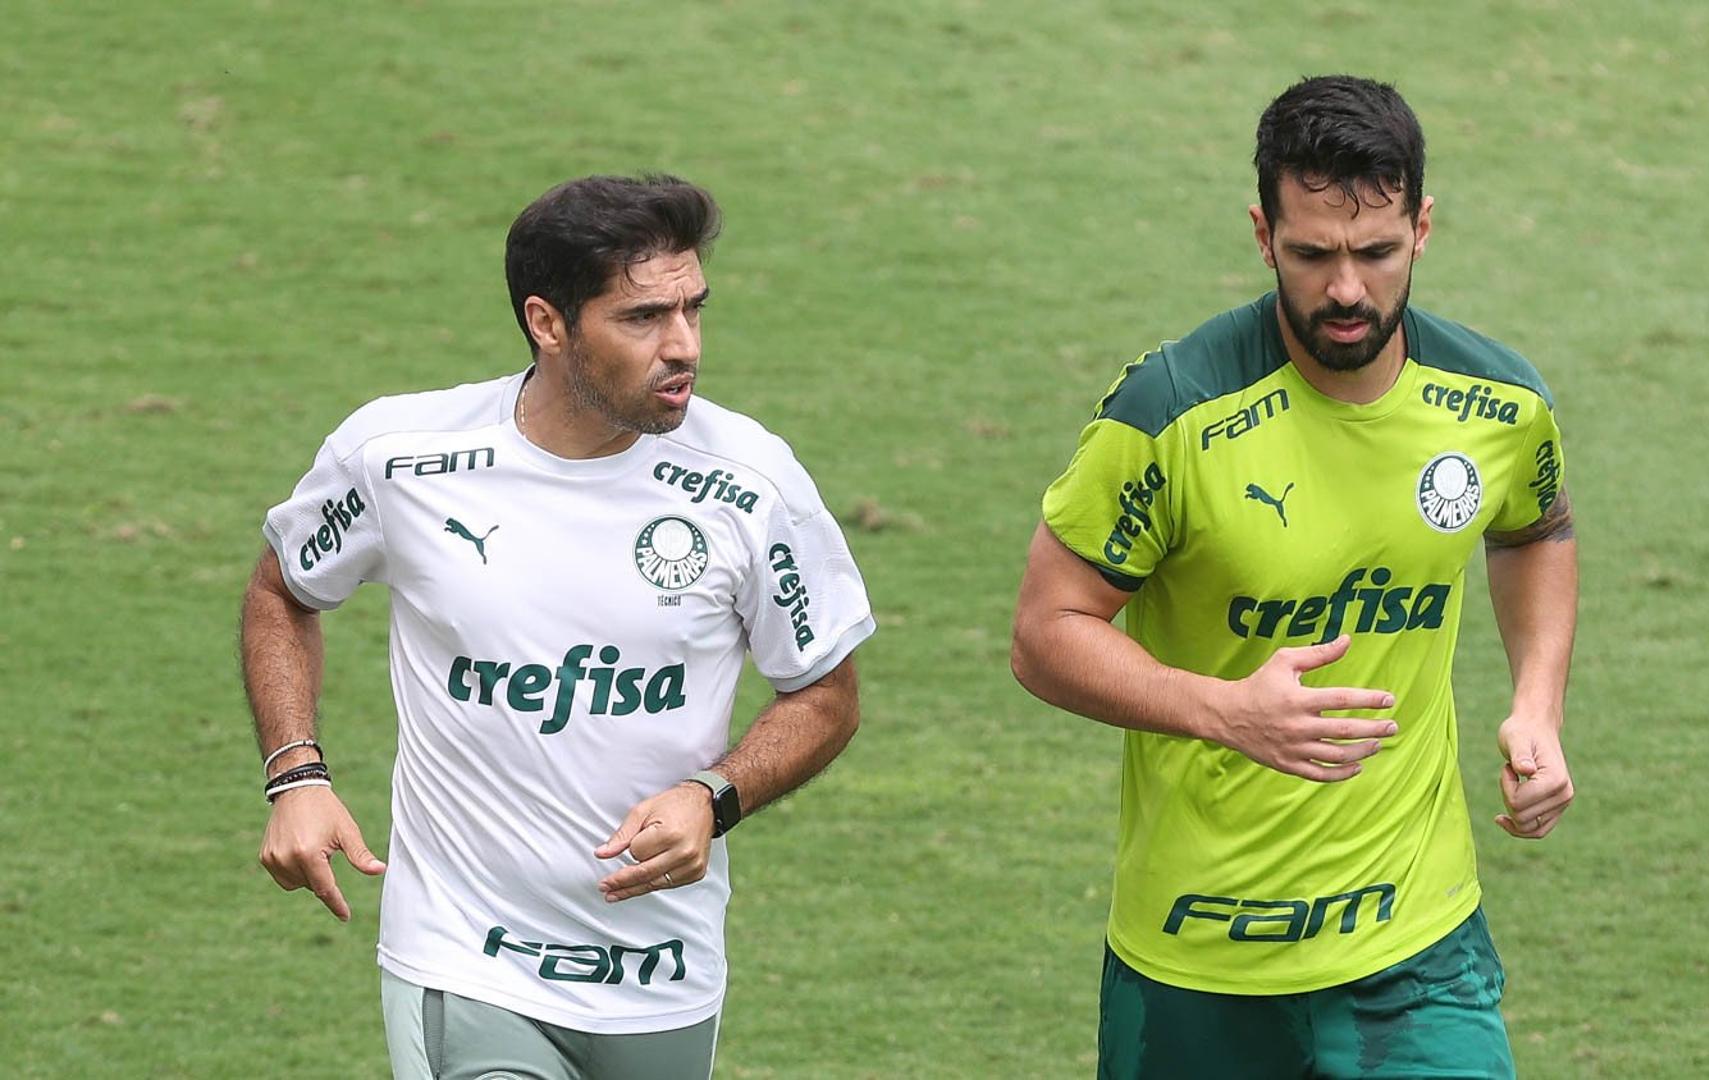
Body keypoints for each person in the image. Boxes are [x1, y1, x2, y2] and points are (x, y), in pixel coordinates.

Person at [241, 175, 874, 1079]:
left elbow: (825, 694)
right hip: (465, 960)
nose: (683, 346)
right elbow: (283, 590)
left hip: (663, 974)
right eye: (644, 318)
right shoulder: (400, 460)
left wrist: (713, 796)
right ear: (548, 323)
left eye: (695, 309)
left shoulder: (753, 484)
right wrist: (294, 773)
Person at [1010, 75, 1577, 1078]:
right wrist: (1225, 711)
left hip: (1417, 943)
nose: (1347, 288)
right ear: (1263, 234)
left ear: (1424, 227)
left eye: (1376, 251)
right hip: (1201, 956)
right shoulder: (1169, 412)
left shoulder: (1499, 403)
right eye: (1313, 254)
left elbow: (1533, 529)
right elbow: (1046, 632)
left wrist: (1537, 704)